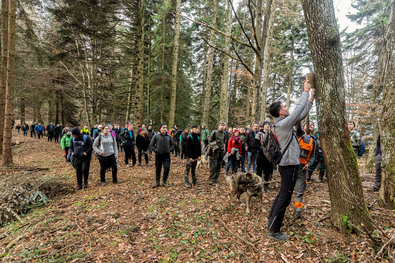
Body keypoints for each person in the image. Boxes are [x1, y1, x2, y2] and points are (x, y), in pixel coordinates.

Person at [266, 80, 314, 241]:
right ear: (280, 113)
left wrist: (310, 100)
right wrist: (305, 91)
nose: (287, 108)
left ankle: (271, 219)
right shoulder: (283, 124)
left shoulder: (283, 123)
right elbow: (296, 112)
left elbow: (300, 114)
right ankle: (274, 230)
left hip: (288, 165)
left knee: (282, 194)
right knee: (285, 197)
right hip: (289, 166)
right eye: (284, 107)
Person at [294, 121, 316, 219]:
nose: (310, 126)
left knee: (300, 188)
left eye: (312, 125)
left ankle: (298, 209)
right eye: (308, 124)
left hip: (302, 168)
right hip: (291, 165)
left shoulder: (313, 141)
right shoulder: (298, 135)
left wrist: (308, 164)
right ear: (303, 126)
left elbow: (313, 156)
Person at [150, 123, 174, 188]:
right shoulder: (156, 136)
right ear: (160, 128)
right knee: (158, 169)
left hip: (167, 155)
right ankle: (157, 182)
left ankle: (164, 182)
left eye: (166, 128)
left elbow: (173, 145)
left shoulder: (169, 136)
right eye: (163, 127)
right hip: (158, 155)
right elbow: (151, 145)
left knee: (167, 168)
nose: (165, 129)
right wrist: (156, 150)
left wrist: (170, 149)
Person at [255, 121, 274, 192]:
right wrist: (261, 148)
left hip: (268, 156)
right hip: (261, 155)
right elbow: (256, 144)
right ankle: (259, 186)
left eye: (268, 125)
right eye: (266, 125)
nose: (267, 126)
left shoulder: (271, 135)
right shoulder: (259, 134)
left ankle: (266, 186)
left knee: (267, 171)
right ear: (263, 126)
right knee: (259, 171)